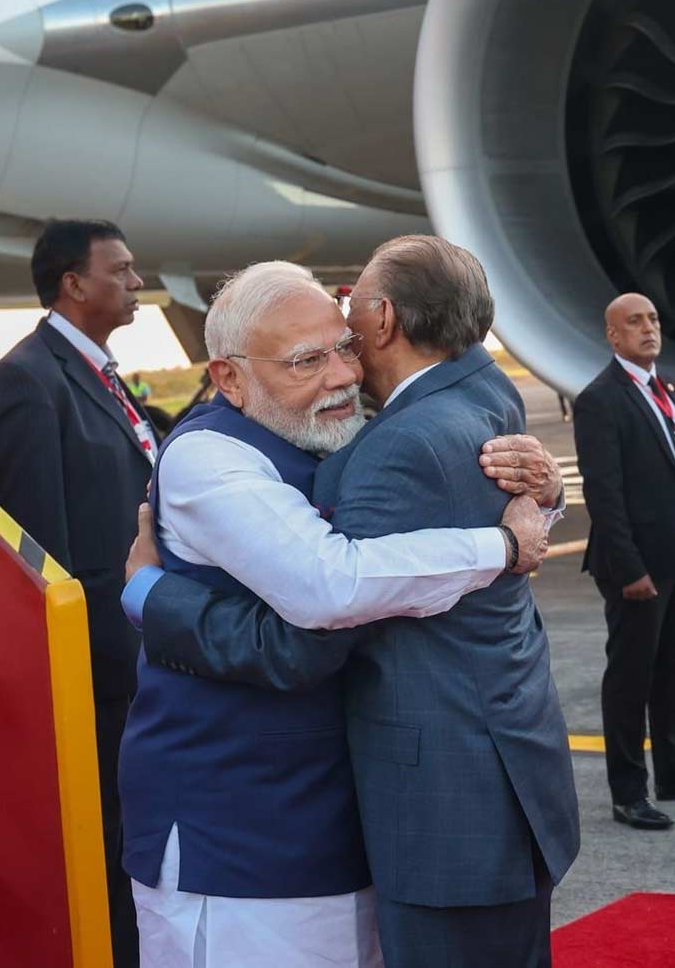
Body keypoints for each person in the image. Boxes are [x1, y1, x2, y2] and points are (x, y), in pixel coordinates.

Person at [119, 250, 567, 968]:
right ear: (228, 378)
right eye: (306, 361)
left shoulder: (346, 430)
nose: (341, 376)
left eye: (344, 348)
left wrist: (544, 492)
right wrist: (505, 544)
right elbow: (329, 591)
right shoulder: (210, 458)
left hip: (335, 819)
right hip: (236, 834)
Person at [0, 219, 157, 968]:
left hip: (142, 656)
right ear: (74, 284)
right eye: (123, 270)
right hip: (102, 671)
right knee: (109, 853)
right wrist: (98, 661)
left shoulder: (99, 372)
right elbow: (38, 554)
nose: (137, 282)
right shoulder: (26, 382)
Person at [573, 292, 675, 831]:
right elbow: (604, 494)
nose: (648, 328)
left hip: (671, 560)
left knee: (670, 676)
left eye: (652, 319)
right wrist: (631, 568)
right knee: (631, 681)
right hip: (636, 569)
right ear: (613, 335)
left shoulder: (663, 391)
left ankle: (670, 779)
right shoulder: (600, 399)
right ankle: (628, 792)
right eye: (634, 322)